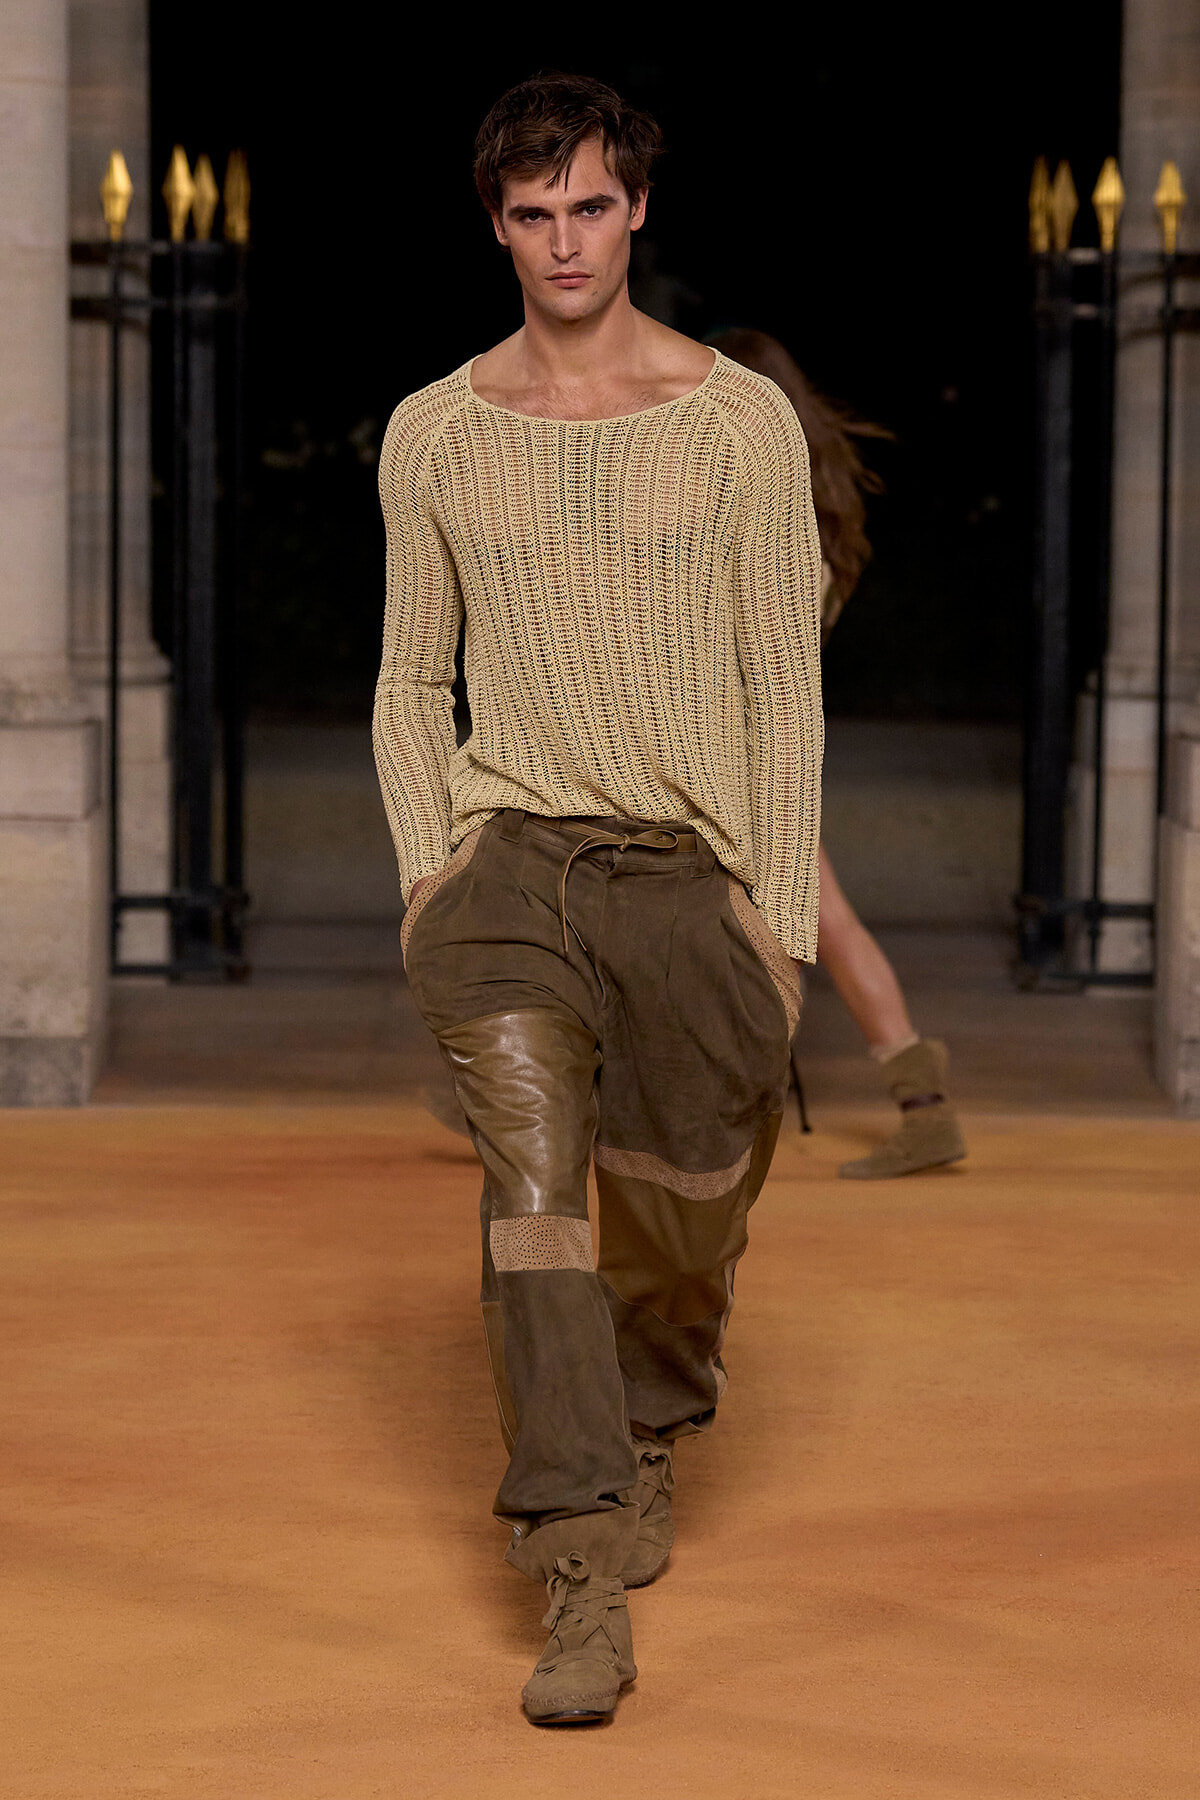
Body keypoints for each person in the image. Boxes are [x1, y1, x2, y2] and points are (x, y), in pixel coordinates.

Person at [373, 75, 822, 1725]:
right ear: (495, 224)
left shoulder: (734, 425)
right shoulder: (437, 431)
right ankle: (574, 1564)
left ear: (638, 211)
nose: (563, 239)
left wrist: (776, 934)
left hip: (688, 882)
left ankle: (651, 1417)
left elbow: (784, 688)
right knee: (538, 1200)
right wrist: (431, 874)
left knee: (690, 1204)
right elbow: (412, 680)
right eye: (531, 210)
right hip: (508, 879)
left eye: (589, 205)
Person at [708, 330, 967, 1180]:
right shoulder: (816, 505)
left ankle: (919, 1110)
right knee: (805, 922)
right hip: (762, 745)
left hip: (736, 750)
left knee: (799, 922)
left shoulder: (758, 502)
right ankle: (918, 1107)